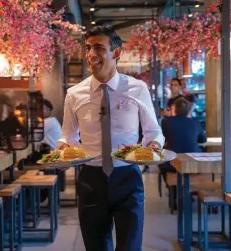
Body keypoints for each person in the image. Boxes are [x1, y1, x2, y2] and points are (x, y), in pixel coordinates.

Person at [57, 26, 164, 251]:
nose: (91, 54)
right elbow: (67, 135)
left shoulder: (137, 88)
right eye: (88, 48)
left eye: (99, 47)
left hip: (127, 177)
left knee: (130, 246)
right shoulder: (75, 93)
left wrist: (153, 146)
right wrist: (63, 149)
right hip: (90, 179)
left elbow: (153, 131)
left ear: (116, 53)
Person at [159, 97, 207, 185]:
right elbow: (203, 139)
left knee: (161, 162)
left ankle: (171, 189)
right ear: (188, 110)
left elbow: (163, 139)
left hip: (172, 164)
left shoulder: (166, 122)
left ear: (174, 109)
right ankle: (193, 189)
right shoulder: (195, 122)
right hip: (192, 163)